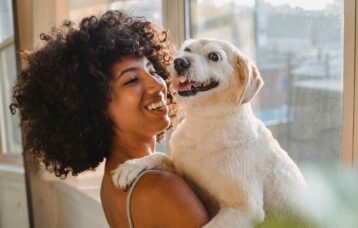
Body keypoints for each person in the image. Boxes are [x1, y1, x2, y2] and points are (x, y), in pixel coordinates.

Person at [10, 10, 209, 228]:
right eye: (131, 80)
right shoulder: (160, 186)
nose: (157, 84)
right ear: (95, 108)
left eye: (152, 70)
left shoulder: (114, 180)